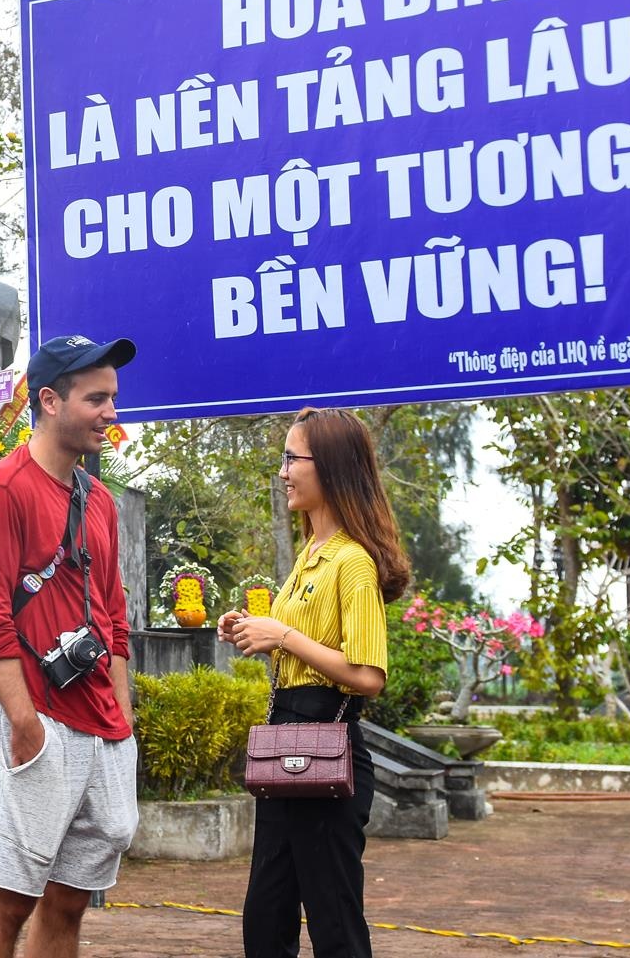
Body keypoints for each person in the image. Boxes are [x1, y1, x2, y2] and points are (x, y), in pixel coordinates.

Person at [0, 334, 139, 958]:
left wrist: (123, 717)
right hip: (31, 714)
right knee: (10, 896)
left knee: (70, 899)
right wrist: (23, 722)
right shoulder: (0, 491)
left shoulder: (101, 501)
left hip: (100, 722)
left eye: (112, 397)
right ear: (50, 401)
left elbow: (114, 619)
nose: (111, 411)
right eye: (96, 398)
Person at [219, 407, 411, 958]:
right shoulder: (311, 555)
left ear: (327, 466)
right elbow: (293, 642)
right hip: (285, 744)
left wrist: (283, 637)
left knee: (334, 922)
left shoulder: (352, 562)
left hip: (328, 746)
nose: (282, 471)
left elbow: (368, 676)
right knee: (266, 916)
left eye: (291, 458)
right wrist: (250, 629)